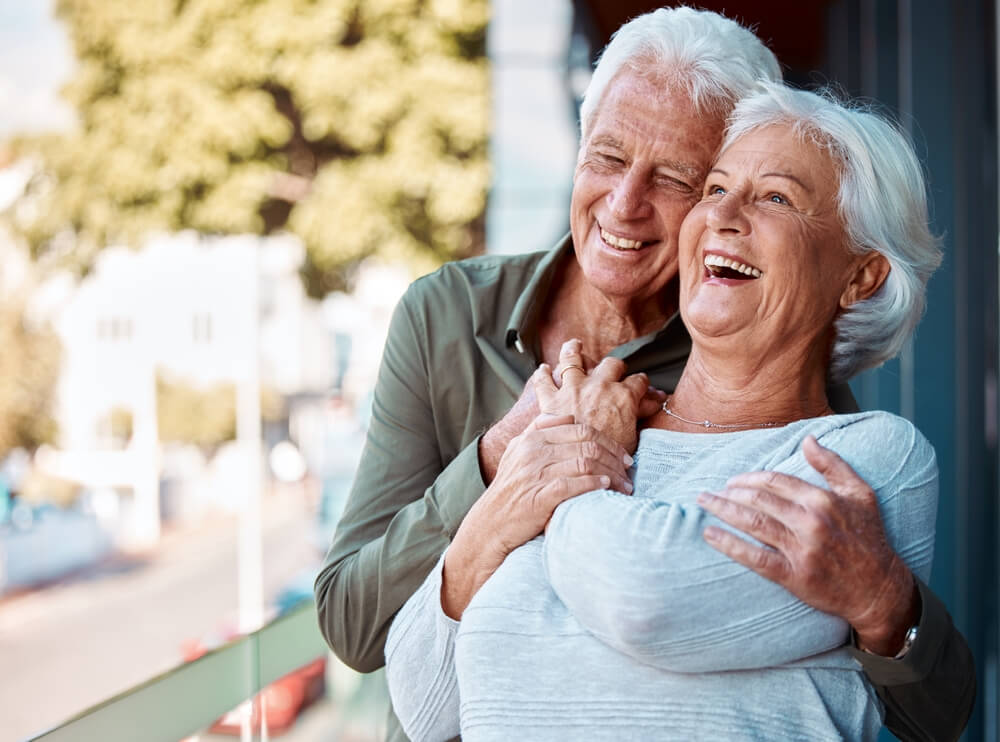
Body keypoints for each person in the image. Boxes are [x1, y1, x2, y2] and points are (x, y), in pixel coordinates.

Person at [314, 7, 975, 741]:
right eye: (606, 156)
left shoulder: (801, 423)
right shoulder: (446, 314)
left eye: (677, 177)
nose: (625, 204)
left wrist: (891, 606)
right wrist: (500, 468)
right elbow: (374, 644)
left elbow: (925, 707)